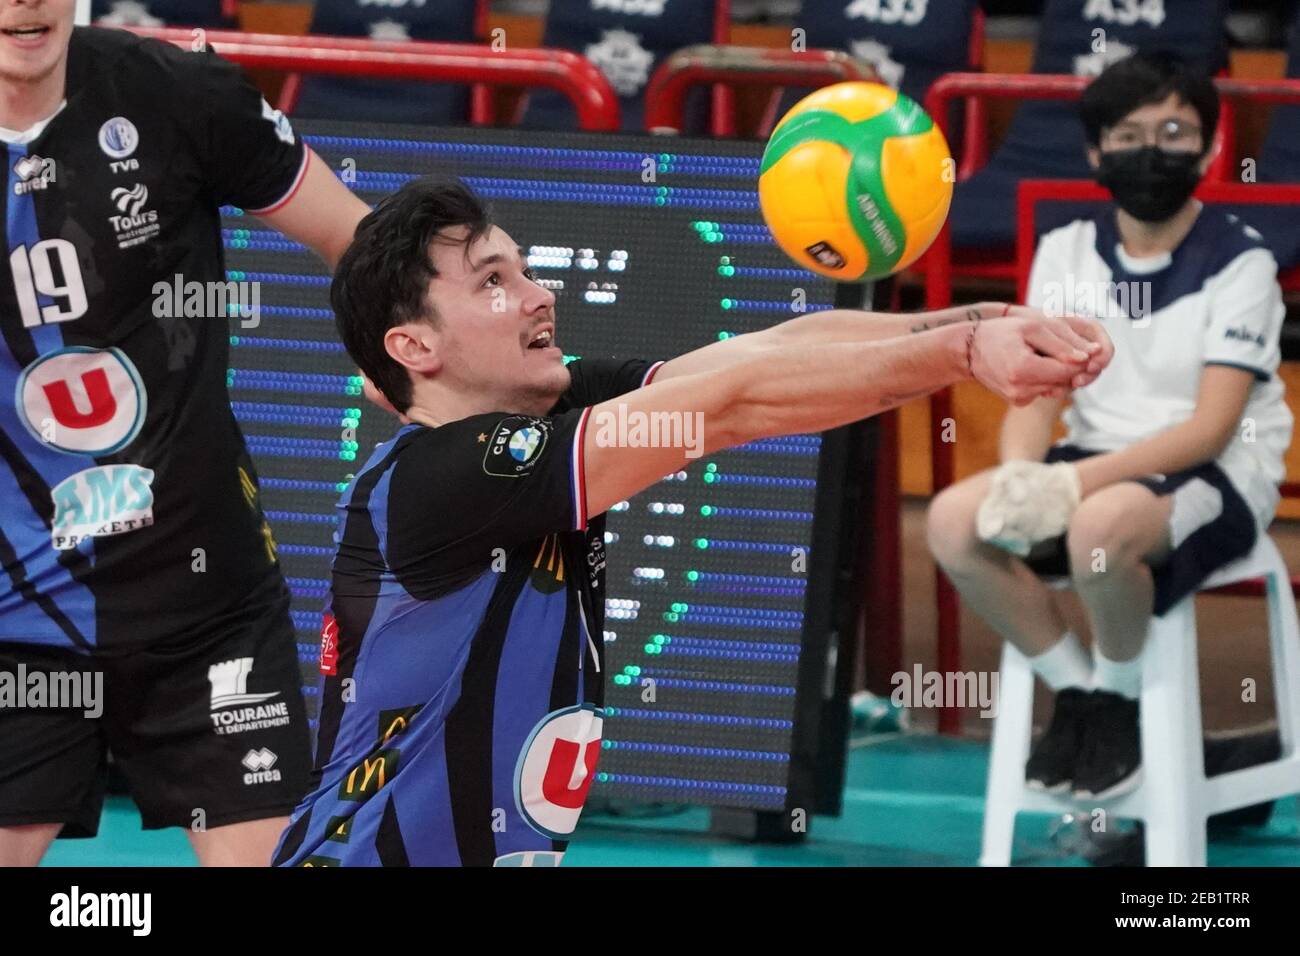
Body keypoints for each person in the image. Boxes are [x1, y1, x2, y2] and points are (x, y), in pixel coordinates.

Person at [271, 176, 1111, 866]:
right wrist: (964, 359)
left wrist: (984, 322)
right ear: (415, 349)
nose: (537, 294)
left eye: (524, 269)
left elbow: (767, 355)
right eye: (495, 281)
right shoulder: (445, 477)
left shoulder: (548, 412)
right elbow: (736, 407)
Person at [0, 0, 371, 865]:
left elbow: (354, 236)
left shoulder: (175, 93)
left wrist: (404, 352)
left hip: (205, 608)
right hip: (17, 622)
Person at [927, 52, 1293, 801]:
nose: (1152, 150)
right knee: (952, 523)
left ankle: (1124, 700)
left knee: (1097, 531)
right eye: (1128, 135)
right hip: (1094, 457)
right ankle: (1081, 693)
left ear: (1211, 148)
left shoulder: (1241, 262)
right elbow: (1031, 392)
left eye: (1175, 131)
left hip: (1221, 476)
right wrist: (1024, 473)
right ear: (1095, 153)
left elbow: (1211, 429)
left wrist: (1061, 485)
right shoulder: (1066, 252)